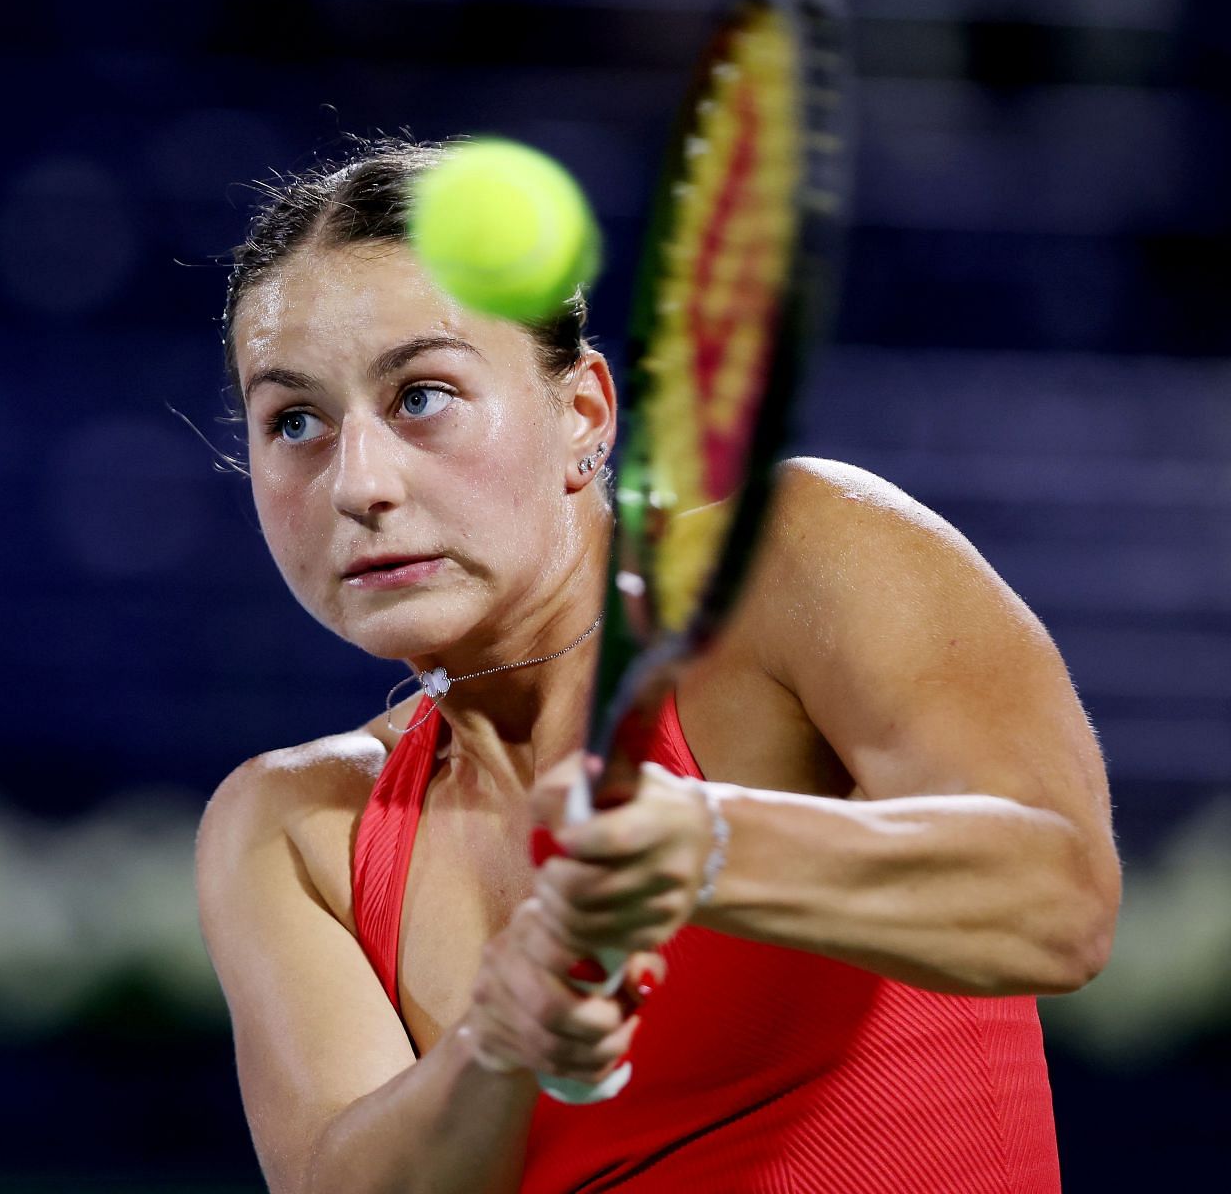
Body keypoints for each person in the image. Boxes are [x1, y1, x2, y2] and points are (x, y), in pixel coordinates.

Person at [193, 137, 1120, 1194]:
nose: (358, 481)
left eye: (422, 395)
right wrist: (498, 1035)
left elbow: (1059, 895)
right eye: (295, 421)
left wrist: (705, 842)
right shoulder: (290, 827)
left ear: (583, 412)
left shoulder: (790, 559)